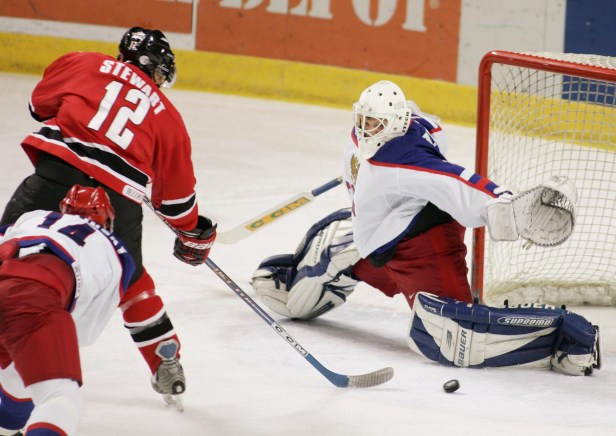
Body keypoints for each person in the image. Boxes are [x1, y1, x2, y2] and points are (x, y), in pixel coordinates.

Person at [250, 80, 601, 376]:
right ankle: (311, 262)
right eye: (363, 119)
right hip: (375, 239)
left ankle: (562, 334)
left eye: (374, 124)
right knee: (307, 289)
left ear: (396, 123)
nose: (364, 129)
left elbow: (454, 180)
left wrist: (507, 207)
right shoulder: (396, 128)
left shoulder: (405, 158)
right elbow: (429, 123)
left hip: (424, 247)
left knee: (453, 336)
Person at [0, 27, 217, 404]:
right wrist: (193, 233)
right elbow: (177, 202)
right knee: (129, 278)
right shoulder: (167, 116)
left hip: (52, 180)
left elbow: (38, 105)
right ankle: (164, 355)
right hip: (117, 204)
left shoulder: (81, 62)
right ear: (157, 68)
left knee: (7, 248)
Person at [0, 185, 135, 435]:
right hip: (31, 299)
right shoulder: (117, 253)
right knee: (60, 398)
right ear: (107, 218)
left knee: (17, 377)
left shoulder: (32, 217)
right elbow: (84, 333)